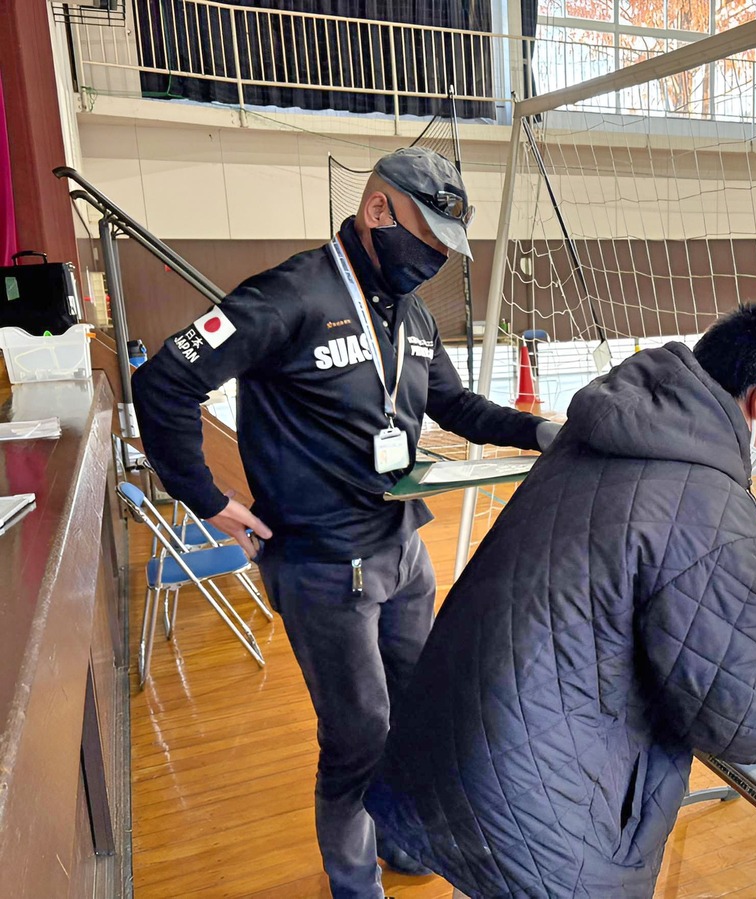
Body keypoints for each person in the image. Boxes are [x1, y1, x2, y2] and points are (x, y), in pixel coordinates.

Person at [132, 147, 559, 899]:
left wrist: (539, 431)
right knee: (358, 737)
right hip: (325, 568)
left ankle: (398, 836)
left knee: (416, 708)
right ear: (377, 211)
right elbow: (165, 379)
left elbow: (454, 406)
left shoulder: (413, 315)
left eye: (444, 251)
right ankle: (355, 883)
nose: (431, 260)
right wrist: (206, 498)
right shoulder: (290, 295)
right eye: (426, 240)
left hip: (402, 550)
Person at [366, 303, 756, 898]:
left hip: (460, 740)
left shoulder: (596, 435)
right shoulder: (704, 498)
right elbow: (740, 715)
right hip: (538, 792)